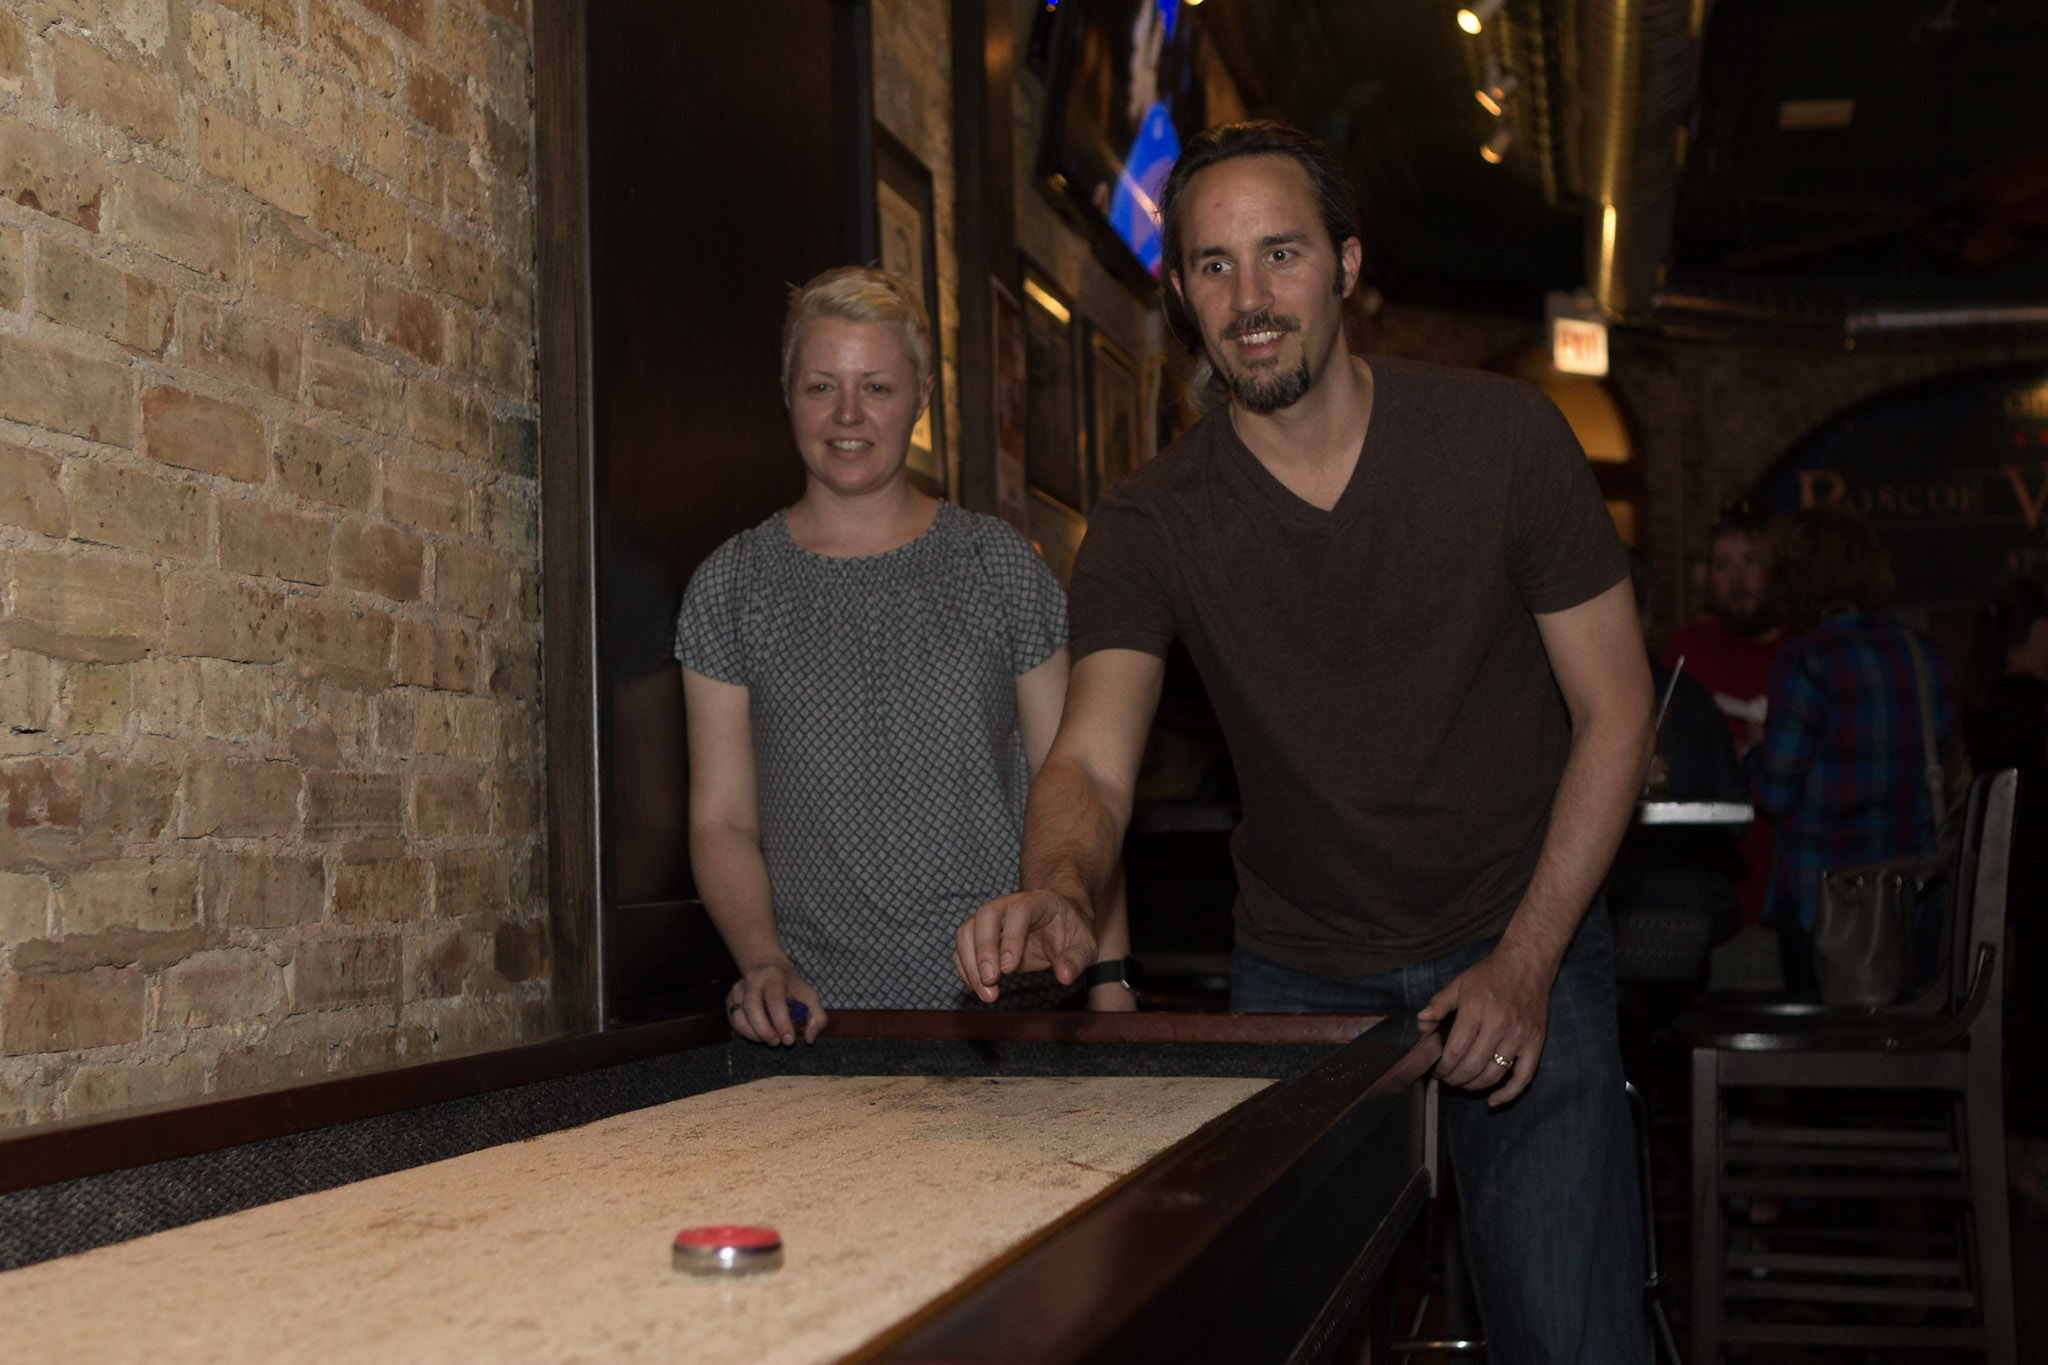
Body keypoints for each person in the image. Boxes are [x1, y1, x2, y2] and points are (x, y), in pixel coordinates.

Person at [953, 121, 1654, 1361]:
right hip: (1300, 973)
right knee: (1281, 1333)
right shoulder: (1149, 523)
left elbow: (1615, 709)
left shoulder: (1503, 441)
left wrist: (1528, 961)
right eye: (1212, 265)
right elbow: (1090, 760)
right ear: (1180, 296)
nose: (1250, 298)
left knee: (1567, 1336)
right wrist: (1057, 889)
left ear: (1344, 266)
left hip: (1521, 933)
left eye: (1279, 253)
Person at [676, 266, 1134, 1046]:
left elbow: (1080, 787)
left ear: (921, 399)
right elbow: (721, 820)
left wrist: (1111, 982)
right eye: (822, 386)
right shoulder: (729, 586)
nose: (848, 414)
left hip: (1015, 1014)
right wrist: (763, 961)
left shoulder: (999, 565)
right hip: (822, 1026)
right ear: (786, 393)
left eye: (877, 387)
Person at [1750, 506, 1957, 994]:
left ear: (1795, 576)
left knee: (1818, 1039)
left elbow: (1774, 793)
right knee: (1906, 1036)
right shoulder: (1924, 654)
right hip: (1912, 902)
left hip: (1823, 905)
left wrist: (1752, 754)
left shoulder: (1806, 659)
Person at [1662, 505, 1784, 930]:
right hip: (1704, 897)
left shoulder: (1804, 653)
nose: (1737, 578)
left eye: (1750, 561)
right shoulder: (1688, 650)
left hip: (1790, 889)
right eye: (1723, 565)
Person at [1966, 581, 2046, 1133]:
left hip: (2004, 881)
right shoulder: (2034, 707)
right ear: (2039, 631)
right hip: (2038, 881)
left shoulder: (1987, 703)